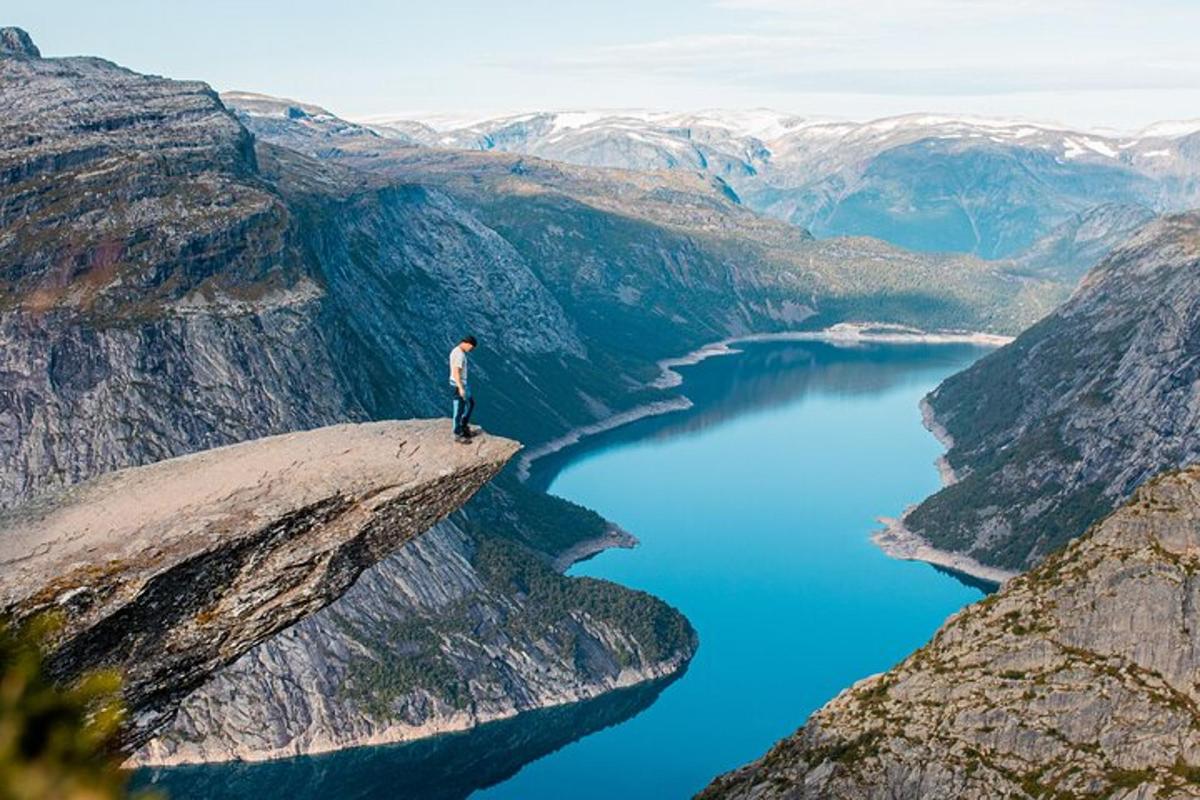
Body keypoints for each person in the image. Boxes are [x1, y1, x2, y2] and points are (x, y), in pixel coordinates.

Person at [449, 335, 477, 443]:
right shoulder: (459, 354)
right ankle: (457, 434)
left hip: (462, 383)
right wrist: (460, 388)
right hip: (458, 384)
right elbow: (456, 372)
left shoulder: (457, 351)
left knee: (470, 403)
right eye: (472, 347)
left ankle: (464, 427)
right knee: (459, 409)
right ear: (467, 344)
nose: (471, 350)